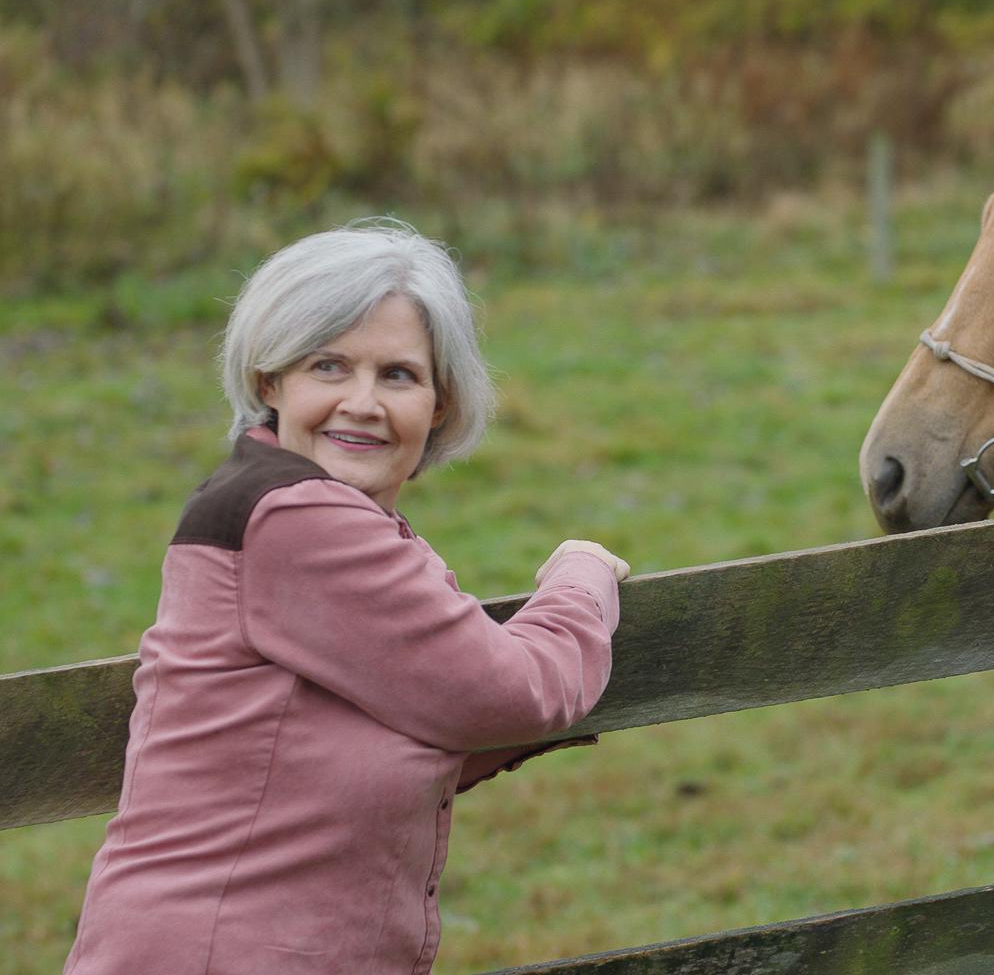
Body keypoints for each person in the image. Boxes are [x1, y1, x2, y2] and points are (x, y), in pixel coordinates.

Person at [64, 222, 626, 974]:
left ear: (438, 403)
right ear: (271, 382)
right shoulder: (292, 517)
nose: (361, 402)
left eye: (397, 375)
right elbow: (510, 691)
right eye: (328, 366)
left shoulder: (327, 521)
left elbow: (410, 715)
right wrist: (580, 577)